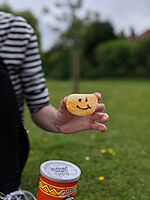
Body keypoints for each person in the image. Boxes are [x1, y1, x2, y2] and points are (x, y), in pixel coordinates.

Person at [0, 11, 109, 200]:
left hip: (5, 149)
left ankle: (6, 189)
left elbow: (38, 104)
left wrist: (58, 122)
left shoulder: (18, 30)